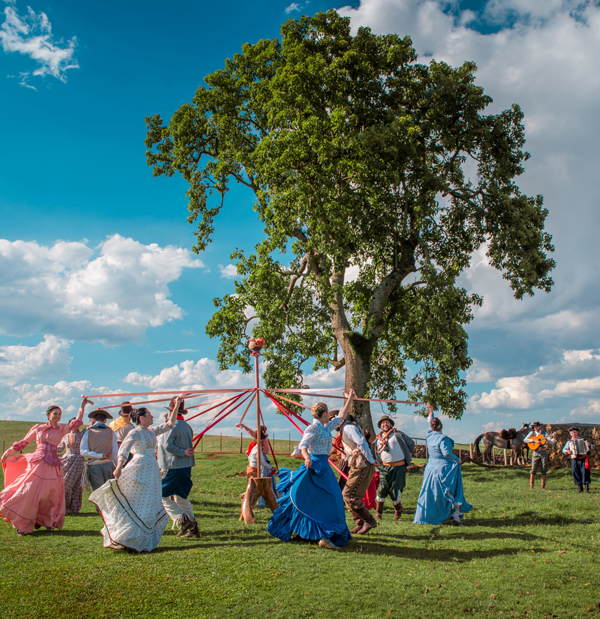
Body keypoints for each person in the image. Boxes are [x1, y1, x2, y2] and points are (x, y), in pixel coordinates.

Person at [268, 390, 356, 550]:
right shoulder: (313, 429)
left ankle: (324, 534)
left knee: (334, 500)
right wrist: (307, 458)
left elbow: (341, 417)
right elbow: (302, 445)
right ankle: (323, 537)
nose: (330, 415)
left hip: (324, 467)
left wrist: (349, 398)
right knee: (315, 500)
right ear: (324, 413)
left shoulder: (325, 427)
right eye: (328, 412)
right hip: (314, 465)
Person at [89, 402, 179, 552]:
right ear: (142, 418)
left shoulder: (151, 431)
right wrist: (119, 466)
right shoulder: (135, 432)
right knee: (135, 501)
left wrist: (176, 405)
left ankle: (142, 539)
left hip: (151, 470)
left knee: (149, 502)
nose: (152, 417)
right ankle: (127, 536)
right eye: (150, 415)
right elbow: (123, 449)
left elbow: (170, 424)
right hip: (138, 468)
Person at [0, 397, 90, 535]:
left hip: (52, 467)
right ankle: (22, 524)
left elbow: (75, 424)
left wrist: (82, 406)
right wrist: (8, 451)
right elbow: (23, 442)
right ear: (48, 415)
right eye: (55, 413)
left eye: (59, 414)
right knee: (28, 491)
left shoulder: (61, 429)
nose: (58, 416)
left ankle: (38, 520)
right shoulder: (38, 428)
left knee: (48, 495)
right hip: (38, 464)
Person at [414, 406, 472, 526]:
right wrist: (457, 460)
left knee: (430, 492)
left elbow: (430, 422)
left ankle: (427, 516)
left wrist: (431, 412)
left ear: (431, 427)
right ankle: (455, 518)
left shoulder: (429, 435)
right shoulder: (442, 438)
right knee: (452, 492)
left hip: (430, 468)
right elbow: (446, 453)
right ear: (441, 427)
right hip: (444, 469)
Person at [158, 397, 199, 538]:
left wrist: (181, 452)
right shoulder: (187, 426)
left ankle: (183, 520)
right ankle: (194, 528)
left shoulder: (172, 426)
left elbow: (168, 445)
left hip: (173, 466)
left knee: (162, 496)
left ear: (171, 411)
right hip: (185, 466)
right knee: (181, 497)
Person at [340, 414, 378, 534]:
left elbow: (361, 442)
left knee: (349, 495)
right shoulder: (347, 428)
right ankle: (359, 522)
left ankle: (368, 520)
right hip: (358, 463)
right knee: (349, 495)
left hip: (362, 464)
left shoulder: (348, 427)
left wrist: (371, 460)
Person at [374, 415, 415, 520]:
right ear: (380, 426)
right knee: (382, 488)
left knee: (394, 490)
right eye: (383, 423)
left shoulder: (398, 435)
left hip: (398, 467)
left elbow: (411, 444)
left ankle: (398, 510)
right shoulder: (378, 439)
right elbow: (375, 452)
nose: (385, 424)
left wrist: (405, 455)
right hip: (384, 467)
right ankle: (378, 513)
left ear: (391, 424)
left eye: (387, 422)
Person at [80, 409, 118, 492]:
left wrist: (99, 455)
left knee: (98, 493)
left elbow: (83, 451)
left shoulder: (88, 432)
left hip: (94, 466)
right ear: (105, 420)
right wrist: (118, 466)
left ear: (94, 420)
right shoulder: (111, 432)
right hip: (109, 465)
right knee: (111, 492)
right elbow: (115, 452)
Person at [57, 418, 86, 514]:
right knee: (65, 485)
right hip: (67, 462)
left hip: (79, 462)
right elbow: (60, 448)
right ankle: (64, 508)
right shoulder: (65, 436)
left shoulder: (83, 434)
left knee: (77, 486)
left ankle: (74, 508)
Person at [523, 422, 557, 489]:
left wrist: (554, 437)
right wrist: (534, 440)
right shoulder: (532, 433)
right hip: (535, 451)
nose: (535, 428)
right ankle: (531, 486)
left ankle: (543, 486)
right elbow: (525, 440)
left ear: (540, 427)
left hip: (543, 451)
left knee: (544, 468)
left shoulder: (544, 434)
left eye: (537, 427)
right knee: (533, 468)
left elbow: (552, 442)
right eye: (534, 427)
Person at [562, 427, 593, 493]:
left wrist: (589, 445)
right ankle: (580, 488)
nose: (574, 434)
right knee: (575, 472)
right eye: (572, 433)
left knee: (585, 472)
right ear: (570, 434)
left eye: (575, 432)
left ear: (577, 433)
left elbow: (591, 446)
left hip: (583, 458)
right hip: (574, 459)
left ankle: (586, 488)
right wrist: (567, 451)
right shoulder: (569, 442)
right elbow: (564, 450)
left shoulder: (583, 440)